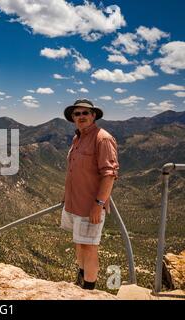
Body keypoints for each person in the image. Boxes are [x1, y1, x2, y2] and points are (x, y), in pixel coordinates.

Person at [61, 99, 119, 290]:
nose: (81, 117)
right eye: (77, 114)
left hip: (89, 205)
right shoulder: (77, 138)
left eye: (85, 113)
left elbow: (109, 174)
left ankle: (89, 289)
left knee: (89, 246)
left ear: (93, 115)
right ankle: (81, 278)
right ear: (73, 118)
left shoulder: (102, 139)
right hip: (73, 202)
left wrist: (98, 203)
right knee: (79, 243)